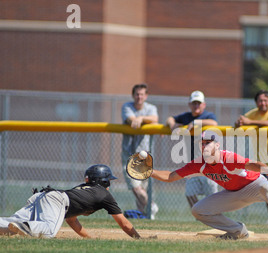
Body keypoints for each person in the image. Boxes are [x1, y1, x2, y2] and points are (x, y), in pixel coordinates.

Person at [149, 129, 268, 241]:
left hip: (254, 184)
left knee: (266, 188)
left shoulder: (228, 158)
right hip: (233, 193)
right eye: (202, 144)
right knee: (198, 210)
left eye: (207, 143)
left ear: (217, 145)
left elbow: (251, 164)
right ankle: (238, 231)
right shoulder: (199, 164)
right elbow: (171, 176)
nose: (204, 147)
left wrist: (265, 168)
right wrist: (150, 172)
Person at [0, 165, 142, 239]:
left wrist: (89, 238)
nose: (110, 184)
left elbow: (71, 219)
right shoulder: (104, 194)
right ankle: (24, 226)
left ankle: (14, 224)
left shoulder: (82, 189)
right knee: (48, 231)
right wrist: (139, 239)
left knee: (11, 223)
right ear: (103, 180)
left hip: (42, 196)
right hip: (57, 200)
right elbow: (124, 223)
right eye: (108, 180)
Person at [235, 90, 268, 224]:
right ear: (256, 102)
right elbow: (241, 120)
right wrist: (239, 122)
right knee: (263, 188)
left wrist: (249, 122)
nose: (263, 103)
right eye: (260, 101)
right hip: (259, 159)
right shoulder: (254, 113)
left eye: (265, 100)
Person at [166, 90, 219, 207]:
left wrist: (196, 122)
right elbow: (170, 118)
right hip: (193, 164)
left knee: (212, 195)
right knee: (190, 194)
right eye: (194, 103)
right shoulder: (186, 117)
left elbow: (214, 123)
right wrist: (172, 124)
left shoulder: (208, 116)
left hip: (209, 163)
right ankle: (200, 214)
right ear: (190, 104)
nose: (196, 106)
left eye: (198, 103)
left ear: (204, 105)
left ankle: (214, 217)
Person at [121, 83, 159, 219]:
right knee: (135, 187)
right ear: (133, 95)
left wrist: (142, 118)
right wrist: (138, 120)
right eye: (137, 94)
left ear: (146, 96)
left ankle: (145, 215)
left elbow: (155, 119)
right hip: (129, 154)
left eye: (142, 94)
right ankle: (152, 207)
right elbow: (130, 119)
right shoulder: (127, 106)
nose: (139, 97)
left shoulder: (151, 108)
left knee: (142, 188)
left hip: (144, 154)